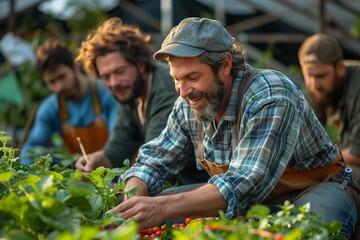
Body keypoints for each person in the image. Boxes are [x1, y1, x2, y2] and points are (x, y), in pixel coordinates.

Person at [107, 17, 357, 239]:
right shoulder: (190, 102)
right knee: (147, 211)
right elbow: (154, 159)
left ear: (225, 64)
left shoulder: (270, 94)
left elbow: (243, 182)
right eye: (176, 79)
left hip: (311, 191)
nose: (183, 91)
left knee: (315, 229)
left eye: (193, 77)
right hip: (244, 202)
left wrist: (162, 208)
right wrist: (133, 199)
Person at [74, 17, 209, 185]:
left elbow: (156, 160)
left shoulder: (167, 89)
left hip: (199, 187)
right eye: (106, 77)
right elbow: (117, 149)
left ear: (141, 65)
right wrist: (97, 160)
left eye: (120, 71)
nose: (114, 83)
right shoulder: (130, 95)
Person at [20, 40, 118, 165]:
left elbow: (118, 141)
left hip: (114, 170)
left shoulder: (107, 94)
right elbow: (31, 149)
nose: (59, 87)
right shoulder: (50, 108)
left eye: (62, 77)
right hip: (80, 175)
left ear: (75, 67)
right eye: (51, 82)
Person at [298, 33, 360, 183]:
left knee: (327, 178)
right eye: (308, 75)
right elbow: (302, 144)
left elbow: (357, 155)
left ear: (340, 68)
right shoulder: (317, 88)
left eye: (321, 76)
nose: (314, 84)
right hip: (346, 158)